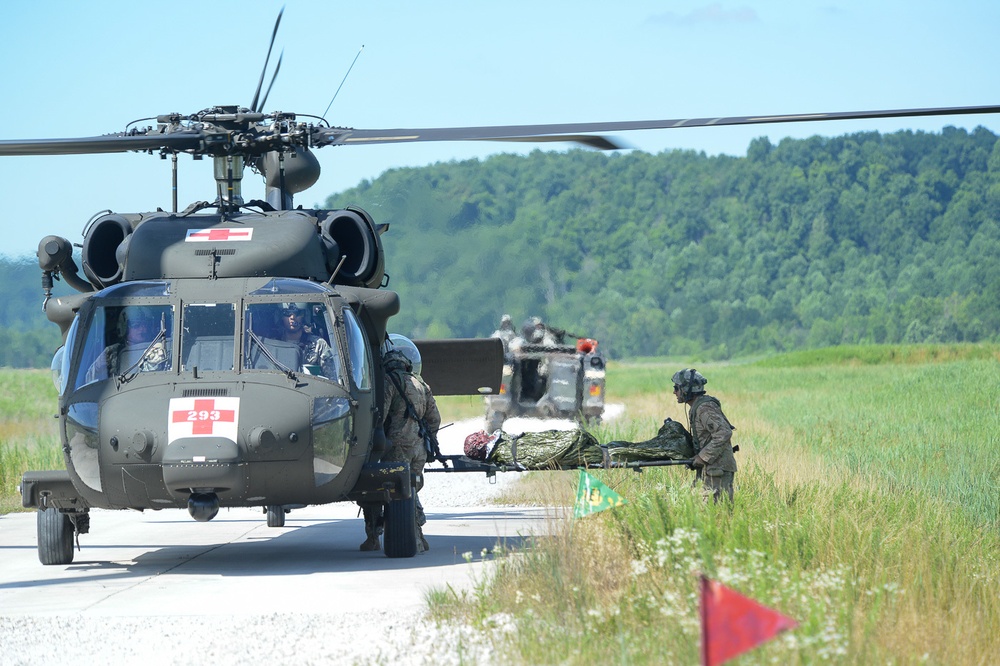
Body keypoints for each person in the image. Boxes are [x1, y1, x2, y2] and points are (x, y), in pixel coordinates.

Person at [363, 338, 441, 553]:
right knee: (411, 491)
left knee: (380, 490)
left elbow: (380, 415)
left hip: (397, 447)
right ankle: (419, 537)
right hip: (419, 448)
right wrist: (427, 440)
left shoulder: (389, 382)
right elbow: (434, 418)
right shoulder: (421, 384)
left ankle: (373, 537)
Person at [672, 368, 737, 503]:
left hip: (717, 469)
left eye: (676, 388)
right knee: (700, 509)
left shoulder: (704, 408)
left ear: (686, 389)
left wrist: (703, 457)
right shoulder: (697, 407)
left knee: (716, 514)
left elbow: (724, 433)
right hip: (711, 468)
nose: (674, 392)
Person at [88, 306, 170, 381]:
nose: (143, 329)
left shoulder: (159, 348)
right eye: (136, 325)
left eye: (146, 325)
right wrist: (98, 368)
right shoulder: (112, 352)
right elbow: (89, 378)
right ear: (124, 327)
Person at [277, 303, 335, 377]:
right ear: (280, 316)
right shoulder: (273, 344)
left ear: (305, 316)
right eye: (287, 313)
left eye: (297, 313)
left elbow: (332, 377)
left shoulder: (318, 344)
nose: (292, 317)